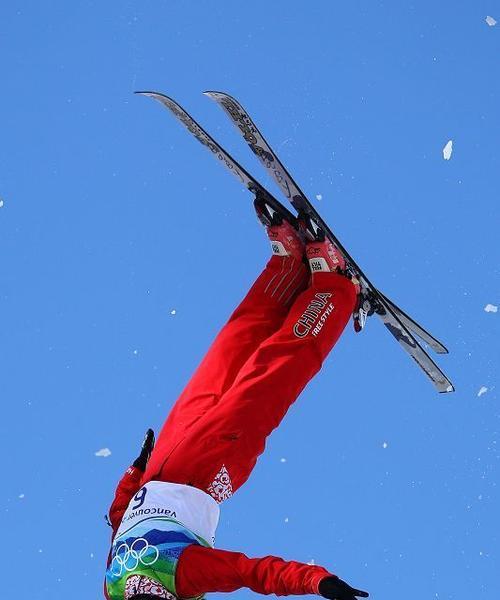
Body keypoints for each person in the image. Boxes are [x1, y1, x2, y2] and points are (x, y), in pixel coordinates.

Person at [104, 200, 369, 600]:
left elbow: (118, 526)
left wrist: (134, 474)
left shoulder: (113, 590)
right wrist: (316, 580)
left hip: (161, 468)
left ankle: (287, 270)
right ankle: (335, 288)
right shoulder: (185, 575)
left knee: (228, 355)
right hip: (208, 472)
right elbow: (253, 572)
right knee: (269, 378)